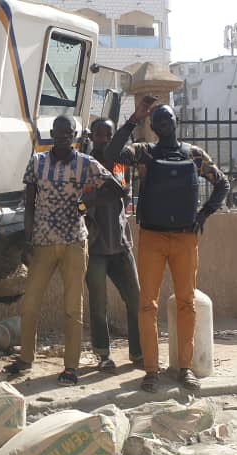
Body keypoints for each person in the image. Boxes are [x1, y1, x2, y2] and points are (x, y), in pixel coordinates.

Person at [112, 98, 230, 393]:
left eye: (167, 119)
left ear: (175, 121)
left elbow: (223, 183)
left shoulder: (193, 155)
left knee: (186, 303)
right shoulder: (143, 152)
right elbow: (110, 153)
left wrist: (203, 215)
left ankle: (184, 368)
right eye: (157, 121)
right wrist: (131, 120)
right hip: (152, 237)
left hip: (184, 239)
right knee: (146, 306)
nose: (163, 124)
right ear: (152, 126)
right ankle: (151, 370)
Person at [4, 115, 121, 387]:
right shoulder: (37, 162)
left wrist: (87, 203)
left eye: (68, 132)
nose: (63, 136)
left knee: (73, 307)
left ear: (75, 135)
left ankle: (71, 367)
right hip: (43, 243)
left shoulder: (85, 163)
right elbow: (30, 203)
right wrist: (28, 237)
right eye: (58, 132)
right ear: (52, 133)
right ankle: (25, 359)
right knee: (30, 303)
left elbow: (116, 189)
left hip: (73, 243)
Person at [81, 117, 142, 371]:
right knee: (98, 304)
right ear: (92, 137)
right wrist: (103, 194)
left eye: (109, 135)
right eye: (100, 135)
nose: (104, 139)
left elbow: (122, 192)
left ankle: (139, 353)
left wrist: (102, 194)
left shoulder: (119, 163)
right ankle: (103, 354)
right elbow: (85, 201)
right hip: (95, 246)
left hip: (120, 243)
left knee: (136, 299)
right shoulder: (83, 165)